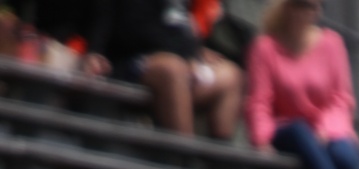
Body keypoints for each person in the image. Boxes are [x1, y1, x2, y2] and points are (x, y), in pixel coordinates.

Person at [245, 0, 359, 169]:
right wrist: (261, 139)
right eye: (299, 5)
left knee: (345, 155)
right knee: (299, 130)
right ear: (287, 7)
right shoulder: (265, 48)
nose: (305, 13)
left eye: (312, 6)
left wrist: (324, 129)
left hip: (327, 128)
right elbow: (259, 102)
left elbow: (341, 98)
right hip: (286, 129)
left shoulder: (332, 43)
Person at [86, 0, 243, 139]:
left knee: (230, 75)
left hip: (182, 62)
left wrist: (195, 53)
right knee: (173, 68)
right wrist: (185, 55)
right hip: (132, 61)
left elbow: (183, 30)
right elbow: (132, 31)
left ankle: (220, 165)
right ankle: (184, 158)